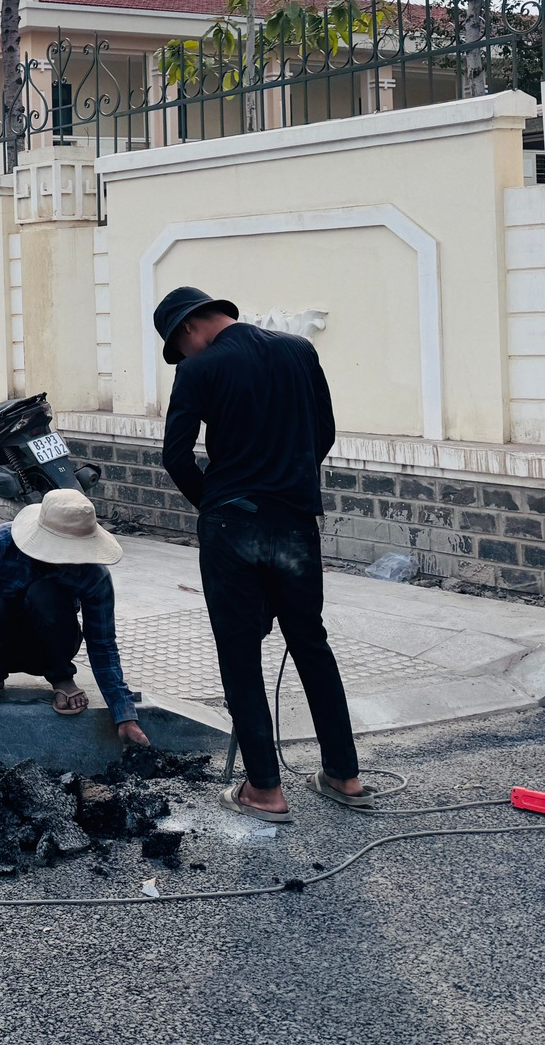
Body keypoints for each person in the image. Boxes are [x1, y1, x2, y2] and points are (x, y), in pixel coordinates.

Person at [154, 285, 371, 823]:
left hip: (233, 525)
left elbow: (175, 457)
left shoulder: (198, 370)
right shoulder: (299, 350)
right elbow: (324, 433)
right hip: (296, 522)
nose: (183, 357)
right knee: (311, 646)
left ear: (187, 329)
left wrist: (219, 504)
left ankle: (265, 791)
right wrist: (286, 482)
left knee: (240, 655)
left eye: (179, 348)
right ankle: (345, 775)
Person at [0, 488, 150, 746]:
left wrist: (123, 713)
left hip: (52, 646)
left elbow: (102, 643)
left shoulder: (94, 576)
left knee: (46, 593)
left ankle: (61, 676)